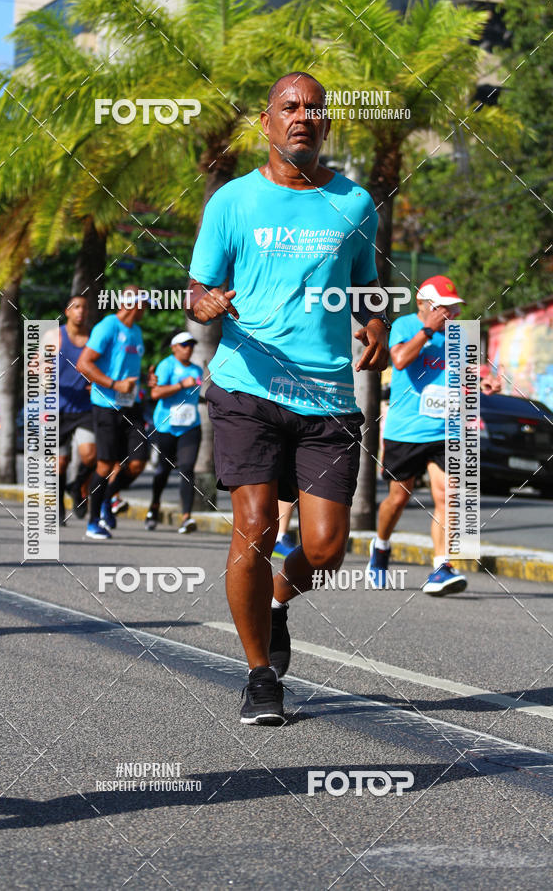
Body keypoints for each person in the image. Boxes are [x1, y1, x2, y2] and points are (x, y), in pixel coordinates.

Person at [186, 72, 390, 725]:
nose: (302, 116)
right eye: (289, 107)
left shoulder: (355, 203)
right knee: (256, 527)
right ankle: (259, 675)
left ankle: (277, 599)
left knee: (328, 547)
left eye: (314, 109)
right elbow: (198, 288)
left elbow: (367, 284)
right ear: (268, 122)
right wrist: (206, 301)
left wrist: (377, 323)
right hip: (247, 387)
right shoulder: (233, 202)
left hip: (326, 396)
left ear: (326, 124)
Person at [366, 275, 499, 596]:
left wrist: (483, 384)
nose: (452, 315)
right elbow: (398, 360)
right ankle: (381, 546)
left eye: (455, 309)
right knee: (398, 498)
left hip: (447, 429)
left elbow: (466, 375)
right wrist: (427, 331)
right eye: (445, 308)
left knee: (448, 495)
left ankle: (442, 567)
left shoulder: (460, 334)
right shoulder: (405, 326)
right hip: (407, 430)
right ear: (424, 304)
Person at [77, 287, 150, 540]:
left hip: (131, 406)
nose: (148, 308)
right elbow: (84, 364)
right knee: (106, 464)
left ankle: (108, 498)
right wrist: (113, 384)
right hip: (106, 406)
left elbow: (126, 369)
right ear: (132, 304)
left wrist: (145, 379)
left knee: (138, 462)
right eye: (145, 303)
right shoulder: (108, 327)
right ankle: (93, 521)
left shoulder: (137, 332)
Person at [145, 331, 203, 534]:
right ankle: (154, 506)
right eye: (185, 345)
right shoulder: (166, 365)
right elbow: (155, 393)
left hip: (190, 426)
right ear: (174, 347)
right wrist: (180, 385)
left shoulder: (197, 370)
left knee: (187, 468)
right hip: (167, 426)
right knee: (163, 469)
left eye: (191, 345)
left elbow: (197, 395)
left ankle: (186, 517)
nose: (189, 348)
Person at [54, 296, 97, 524]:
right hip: (57, 408)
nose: (81, 311)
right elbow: (36, 362)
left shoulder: (92, 339)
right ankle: (59, 506)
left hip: (84, 407)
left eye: (84, 307)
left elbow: (98, 366)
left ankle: (77, 485)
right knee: (60, 463)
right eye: (76, 307)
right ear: (67, 311)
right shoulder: (55, 336)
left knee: (90, 455)